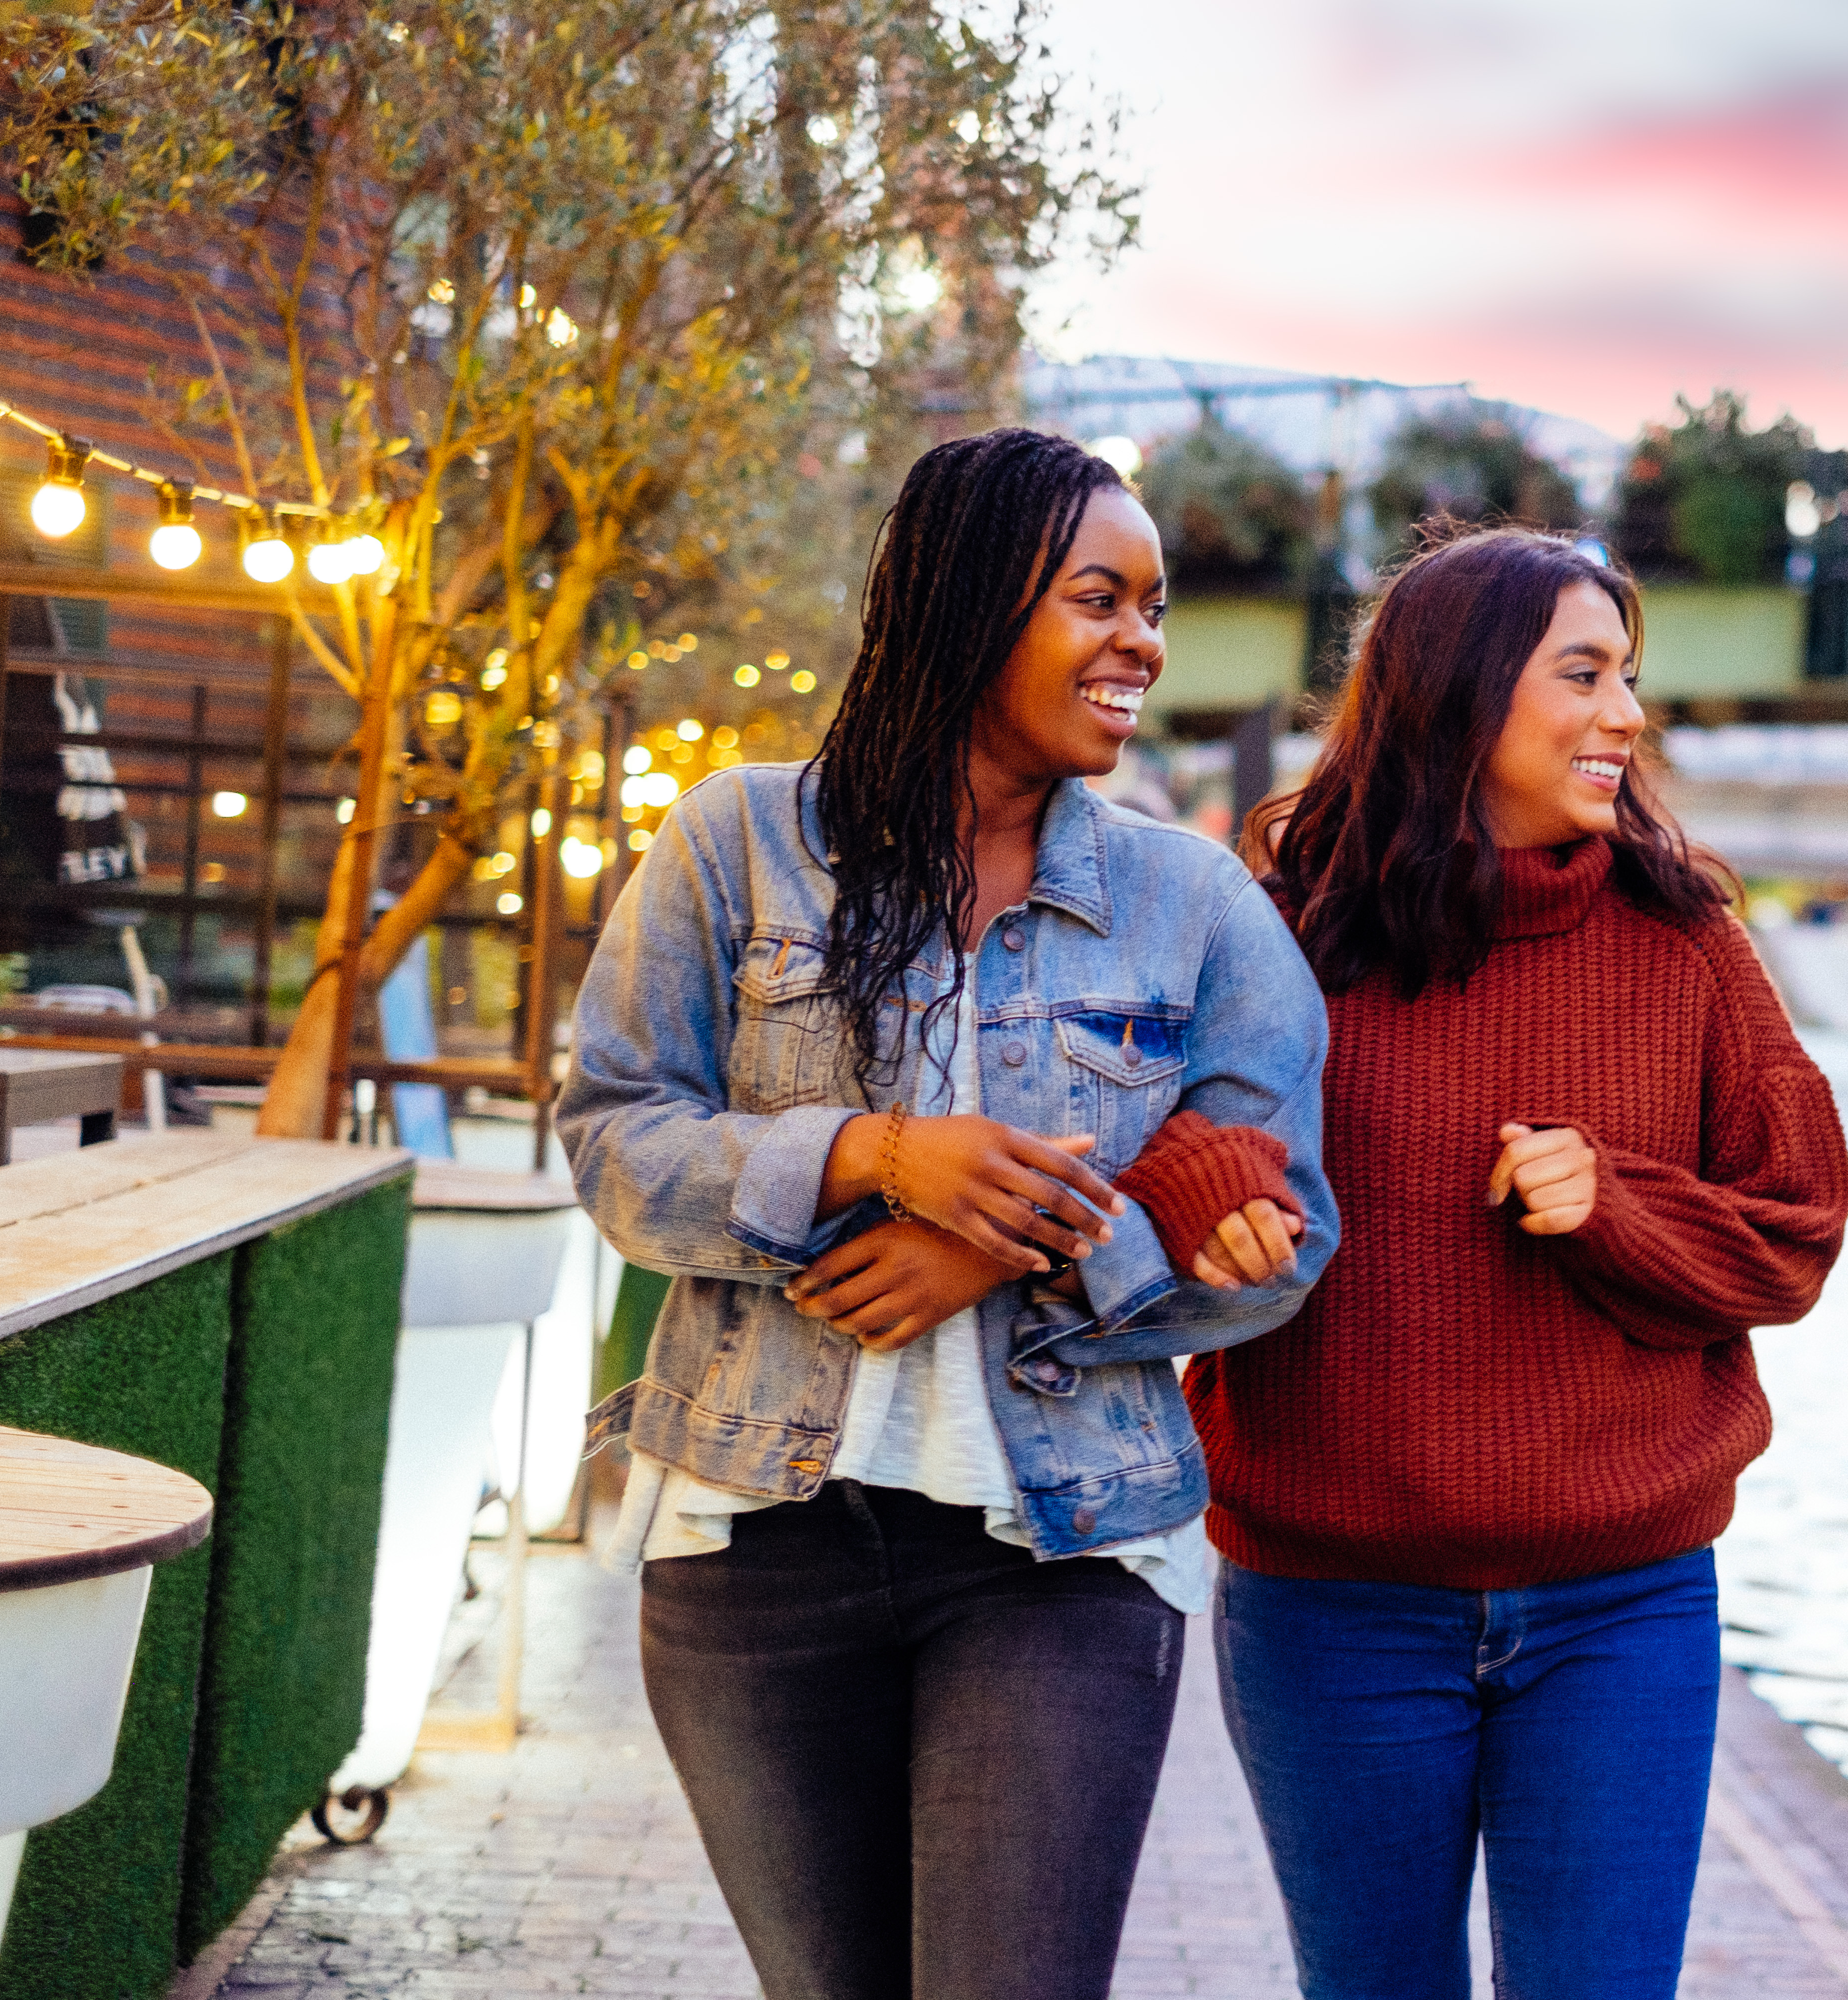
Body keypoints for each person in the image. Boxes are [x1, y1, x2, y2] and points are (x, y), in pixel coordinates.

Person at [558, 428, 1336, 2000]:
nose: (1144, 642)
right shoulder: (738, 840)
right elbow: (615, 1141)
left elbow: (1281, 1225)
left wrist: (1001, 1242)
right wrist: (870, 1157)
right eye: (1097, 599)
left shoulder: (1195, 906)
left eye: (1155, 605)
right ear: (969, 605)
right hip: (752, 1539)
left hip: (1054, 1556)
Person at [1198, 527, 1848, 1998]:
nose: (1627, 712)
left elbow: (1796, 1229)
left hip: (1619, 1608)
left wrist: (1614, 1205)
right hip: (1329, 1607)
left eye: (1630, 675)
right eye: (1585, 672)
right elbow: (1164, 1171)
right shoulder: (1276, 930)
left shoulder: (1686, 943)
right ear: (1456, 690)